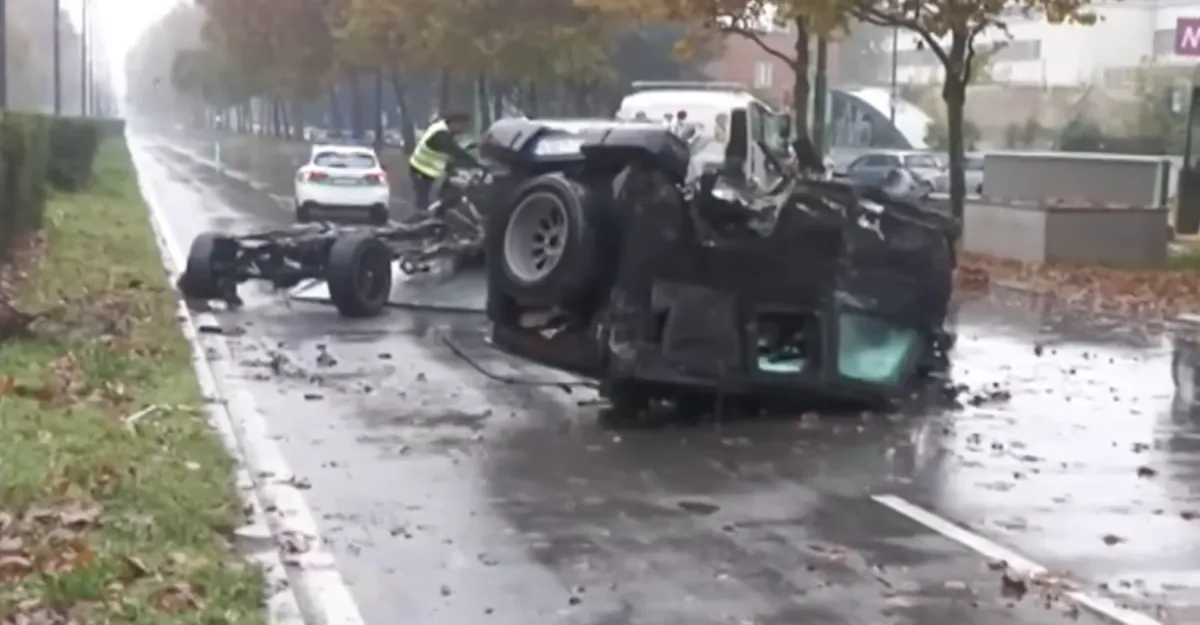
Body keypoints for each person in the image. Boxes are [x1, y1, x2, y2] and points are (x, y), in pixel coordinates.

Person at [408, 112, 484, 212]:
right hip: (421, 170)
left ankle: (427, 217)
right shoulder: (441, 134)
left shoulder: (443, 130)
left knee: (429, 200)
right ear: (455, 123)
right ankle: (421, 222)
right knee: (424, 201)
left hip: (426, 171)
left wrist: (453, 169)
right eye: (463, 126)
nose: (463, 130)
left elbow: (444, 156)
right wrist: (477, 165)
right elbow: (455, 152)